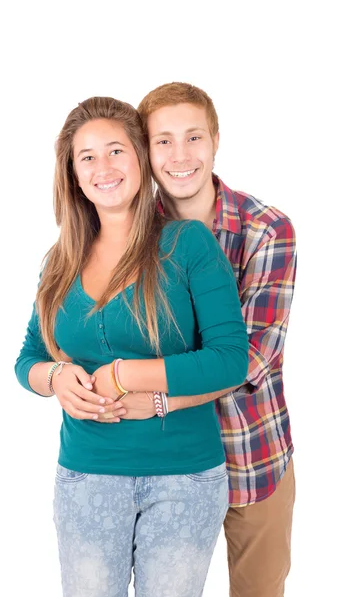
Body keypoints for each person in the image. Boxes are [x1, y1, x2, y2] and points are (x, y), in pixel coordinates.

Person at [15, 96, 249, 597]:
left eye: (117, 151)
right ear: (73, 174)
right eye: (87, 157)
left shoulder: (187, 244)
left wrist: (124, 374)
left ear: (140, 159)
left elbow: (230, 360)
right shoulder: (60, 260)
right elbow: (29, 357)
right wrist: (55, 378)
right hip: (85, 477)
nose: (104, 168)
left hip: (184, 479)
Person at [134, 82, 297, 597]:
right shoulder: (129, 237)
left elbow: (249, 361)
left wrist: (157, 397)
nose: (180, 155)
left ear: (216, 140)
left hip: (252, 453)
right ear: (145, 150)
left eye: (193, 137)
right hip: (165, 464)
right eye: (163, 141)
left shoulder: (267, 230)